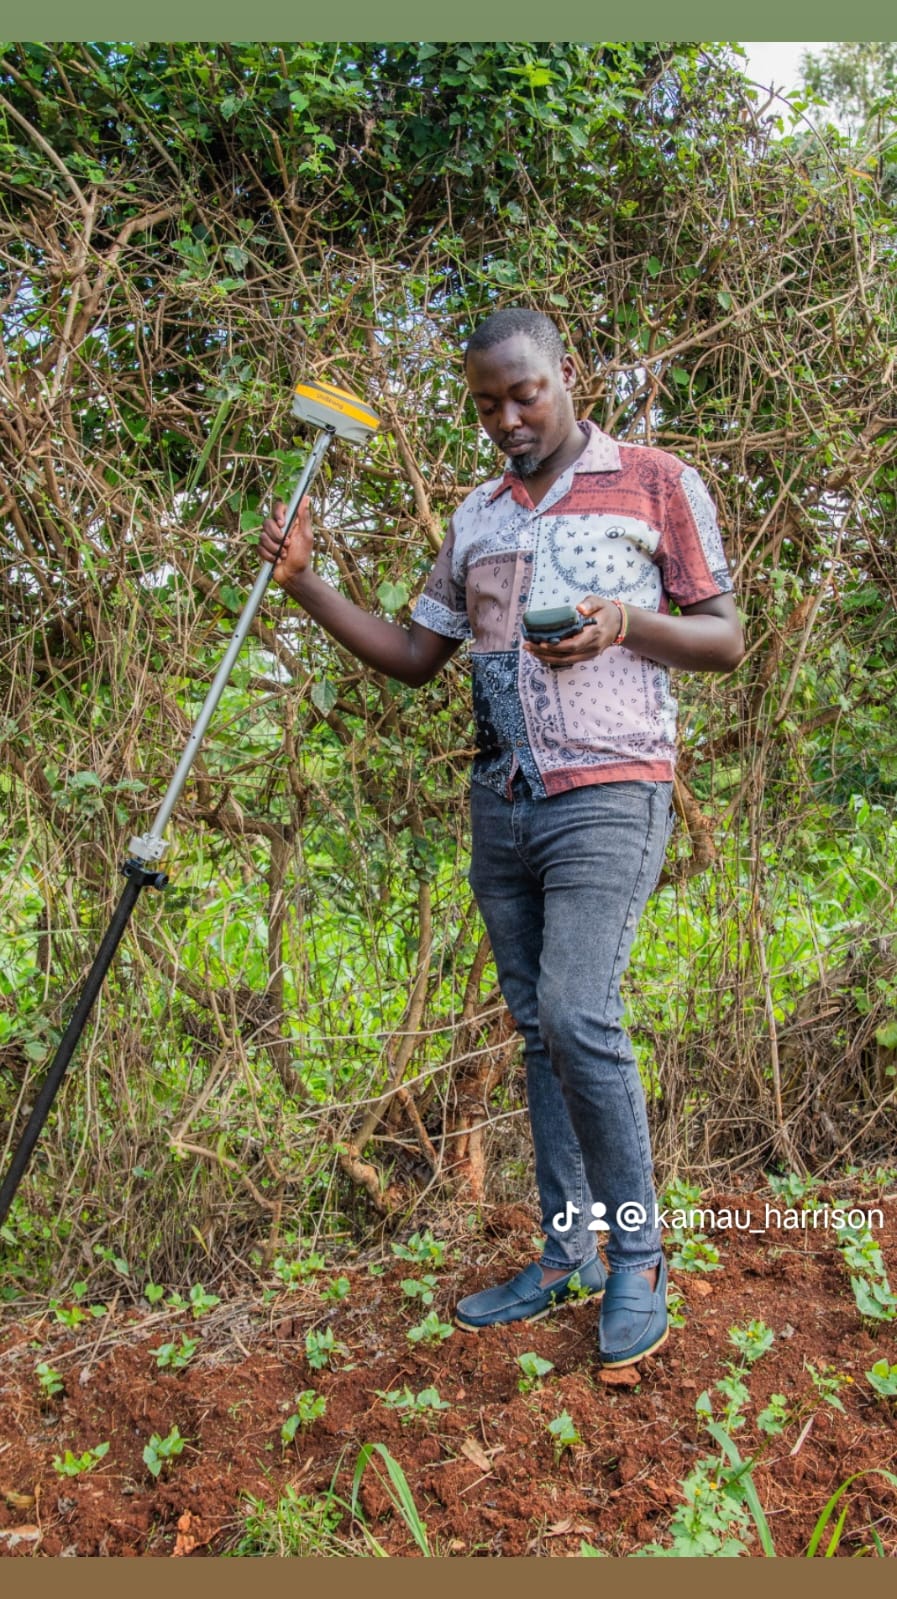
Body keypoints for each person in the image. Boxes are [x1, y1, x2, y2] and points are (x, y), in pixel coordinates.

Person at [259, 308, 744, 1367]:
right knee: (537, 1030)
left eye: (526, 393)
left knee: (578, 1012)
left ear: (567, 375)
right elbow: (414, 652)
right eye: (488, 404)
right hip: (504, 801)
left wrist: (623, 624)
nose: (510, 417)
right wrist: (303, 583)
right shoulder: (478, 516)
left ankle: (640, 1255)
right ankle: (566, 1248)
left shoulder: (656, 481)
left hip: (612, 791)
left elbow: (724, 639)